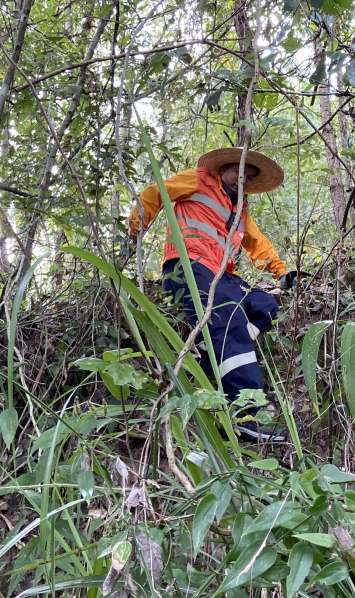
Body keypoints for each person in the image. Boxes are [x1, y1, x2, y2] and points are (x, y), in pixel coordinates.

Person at [126, 147, 297, 442]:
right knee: (228, 322)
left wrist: (281, 273)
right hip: (189, 267)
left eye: (246, 180)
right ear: (225, 168)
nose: (239, 182)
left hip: (222, 276)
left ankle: (211, 358)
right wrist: (136, 227)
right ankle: (247, 415)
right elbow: (156, 192)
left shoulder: (239, 207)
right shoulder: (198, 180)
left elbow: (257, 242)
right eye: (237, 174)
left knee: (266, 305)